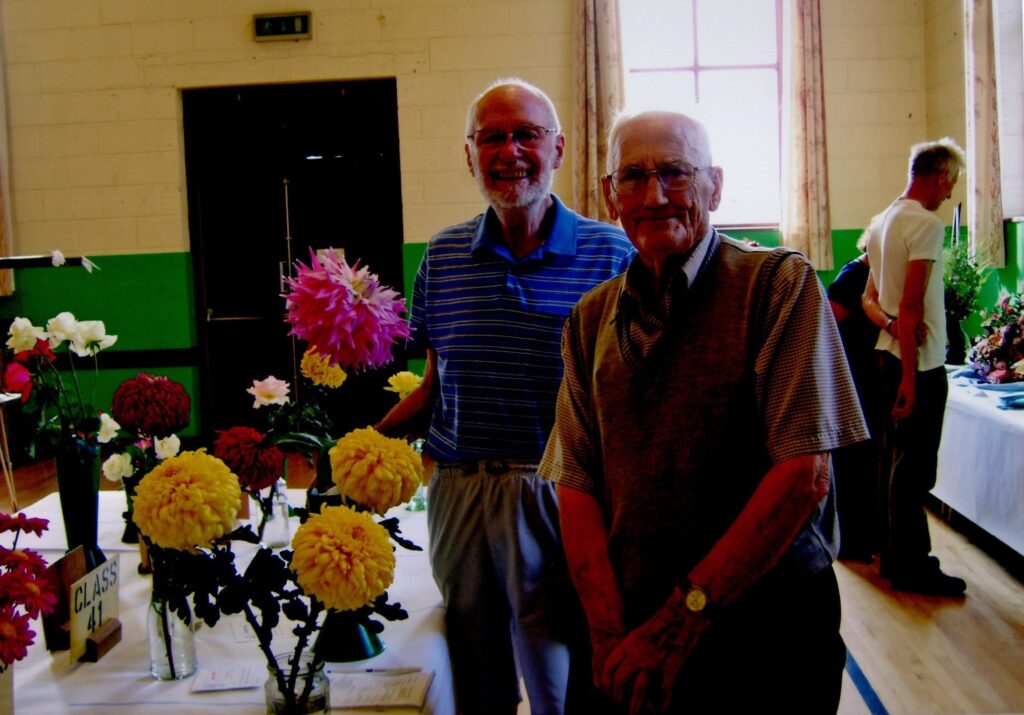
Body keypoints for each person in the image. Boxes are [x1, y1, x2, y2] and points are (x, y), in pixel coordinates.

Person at [538, 110, 868, 713]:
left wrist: (678, 624)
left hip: (765, 635)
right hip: (631, 630)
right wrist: (610, 637)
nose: (654, 195)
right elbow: (574, 483)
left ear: (714, 185)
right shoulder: (588, 319)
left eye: (675, 172)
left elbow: (803, 477)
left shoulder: (777, 286)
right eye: (633, 177)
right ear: (611, 197)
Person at [375, 78, 635, 715]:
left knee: (562, 679)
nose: (510, 150)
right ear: (469, 155)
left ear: (560, 148)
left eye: (527, 134)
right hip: (459, 496)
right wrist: (364, 448)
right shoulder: (441, 259)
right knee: (474, 675)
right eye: (492, 136)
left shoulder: (612, 254)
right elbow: (438, 387)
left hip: (559, 493)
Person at [861, 137, 967, 597]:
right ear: (940, 174)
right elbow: (910, 306)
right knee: (916, 468)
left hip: (885, 353)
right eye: (952, 182)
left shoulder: (884, 219)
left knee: (891, 459)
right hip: (914, 364)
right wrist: (910, 377)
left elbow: (870, 300)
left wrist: (888, 326)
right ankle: (911, 565)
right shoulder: (924, 223)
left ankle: (889, 554)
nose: (950, 194)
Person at [827, 235, 882, 562]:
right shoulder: (852, 276)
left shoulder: (861, 274)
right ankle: (852, 540)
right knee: (855, 460)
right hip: (854, 376)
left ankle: (862, 536)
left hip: (861, 374)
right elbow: (831, 325)